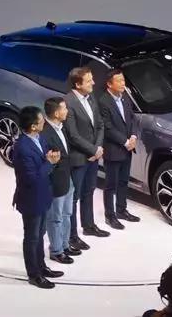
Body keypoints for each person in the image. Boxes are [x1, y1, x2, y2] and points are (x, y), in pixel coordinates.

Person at [12, 106, 64, 289]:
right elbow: (31, 178)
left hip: (43, 195)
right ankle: (34, 275)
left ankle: (41, 267)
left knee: (40, 235)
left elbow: (45, 157)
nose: (44, 122)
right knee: (32, 237)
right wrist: (49, 163)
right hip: (31, 200)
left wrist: (52, 157)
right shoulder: (22, 148)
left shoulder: (39, 138)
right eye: (41, 121)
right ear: (33, 126)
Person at [64, 67, 110, 251]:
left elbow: (100, 125)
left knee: (89, 191)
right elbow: (73, 135)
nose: (93, 83)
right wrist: (92, 150)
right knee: (74, 197)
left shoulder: (91, 97)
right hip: (79, 158)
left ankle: (89, 226)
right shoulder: (68, 103)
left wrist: (97, 149)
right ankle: (72, 236)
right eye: (89, 80)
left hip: (93, 156)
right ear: (77, 84)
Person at [98, 69, 141, 230]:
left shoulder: (125, 97)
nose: (123, 83)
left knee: (124, 181)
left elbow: (132, 118)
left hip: (128, 148)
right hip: (113, 149)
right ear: (109, 84)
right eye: (119, 81)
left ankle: (121, 210)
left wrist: (134, 136)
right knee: (111, 185)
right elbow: (107, 128)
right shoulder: (103, 101)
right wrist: (125, 141)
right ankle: (110, 216)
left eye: (123, 80)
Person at [41, 97, 81, 265]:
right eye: (64, 108)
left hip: (67, 178)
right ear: (57, 113)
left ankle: (64, 245)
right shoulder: (45, 133)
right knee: (55, 218)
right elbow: (46, 160)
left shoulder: (61, 128)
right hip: (55, 182)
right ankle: (56, 251)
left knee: (66, 214)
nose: (67, 111)